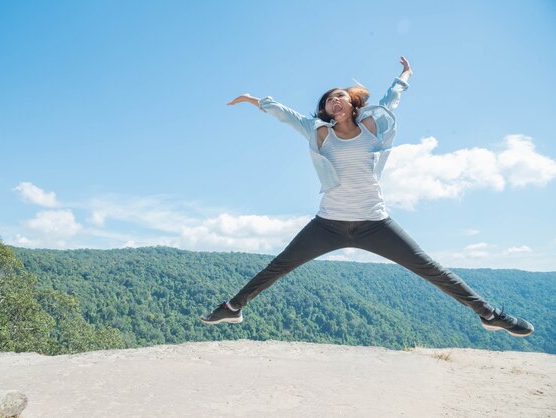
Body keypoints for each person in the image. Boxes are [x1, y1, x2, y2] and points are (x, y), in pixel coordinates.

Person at [200, 57, 534, 337]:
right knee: (279, 266)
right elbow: (285, 113)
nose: (335, 100)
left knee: (430, 269)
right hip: (328, 223)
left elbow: (392, 98)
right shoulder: (318, 131)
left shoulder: (373, 127)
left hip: (375, 223)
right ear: (326, 110)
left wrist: (405, 75)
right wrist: (252, 99)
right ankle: (232, 308)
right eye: (329, 99)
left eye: (340, 95)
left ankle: (490, 315)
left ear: (352, 102)